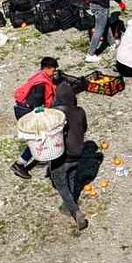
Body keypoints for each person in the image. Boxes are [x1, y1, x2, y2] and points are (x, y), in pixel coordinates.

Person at [46, 82, 89, 231]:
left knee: (61, 184)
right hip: (78, 152)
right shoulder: (80, 111)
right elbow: (84, 128)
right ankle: (70, 202)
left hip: (61, 155)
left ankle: (75, 212)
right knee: (71, 177)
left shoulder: (54, 114)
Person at [11, 56, 58, 179]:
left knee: (36, 138)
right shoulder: (41, 85)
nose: (54, 73)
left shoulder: (39, 76)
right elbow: (36, 105)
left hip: (21, 107)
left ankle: (37, 156)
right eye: (53, 70)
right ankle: (20, 164)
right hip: (25, 111)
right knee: (37, 138)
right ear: (47, 69)